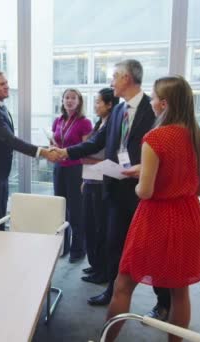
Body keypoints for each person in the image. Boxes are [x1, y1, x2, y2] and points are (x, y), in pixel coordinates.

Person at [52, 60, 171, 316]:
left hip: (144, 191)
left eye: (115, 76)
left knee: (151, 249)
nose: (111, 82)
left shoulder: (154, 110)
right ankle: (112, 290)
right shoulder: (117, 111)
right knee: (114, 244)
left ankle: (164, 301)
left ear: (127, 78)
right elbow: (97, 141)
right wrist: (66, 152)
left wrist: (143, 168)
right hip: (116, 189)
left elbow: (162, 150)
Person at [103, 76, 200, 342]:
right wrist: (175, 183)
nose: (151, 102)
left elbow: (146, 191)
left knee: (123, 285)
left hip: (156, 217)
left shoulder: (155, 137)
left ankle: (105, 340)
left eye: (153, 98)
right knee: (180, 291)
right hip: (187, 216)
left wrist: (140, 177)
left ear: (163, 104)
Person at [0, 70, 54, 231]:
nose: (7, 87)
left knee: (0, 214)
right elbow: (10, 140)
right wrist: (43, 152)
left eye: (6, 83)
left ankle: (0, 249)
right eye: (2, 84)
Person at [80, 88, 118, 284]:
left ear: (109, 104)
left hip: (102, 182)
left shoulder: (113, 124)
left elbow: (109, 157)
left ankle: (102, 270)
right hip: (90, 180)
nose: (95, 106)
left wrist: (83, 157)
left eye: (98, 102)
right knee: (90, 225)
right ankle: (95, 266)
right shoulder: (100, 123)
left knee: (101, 228)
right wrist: (84, 180)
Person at [51, 88, 92, 261]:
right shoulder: (58, 120)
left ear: (79, 101)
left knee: (76, 210)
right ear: (62, 101)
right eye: (66, 98)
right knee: (60, 209)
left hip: (75, 169)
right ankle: (63, 246)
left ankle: (78, 249)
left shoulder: (85, 122)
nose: (69, 101)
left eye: (73, 98)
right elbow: (53, 141)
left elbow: (86, 150)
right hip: (59, 168)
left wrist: (66, 152)